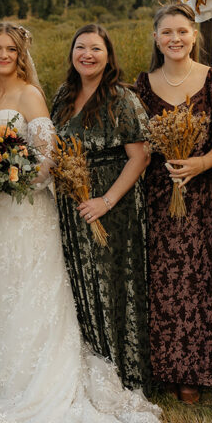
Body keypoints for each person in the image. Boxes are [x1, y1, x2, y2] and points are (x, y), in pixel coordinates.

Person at [0, 22, 162, 423]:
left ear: (21, 53)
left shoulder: (33, 96)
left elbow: (45, 164)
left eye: (10, 48)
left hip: (21, 212)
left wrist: (1, 184)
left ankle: (32, 379)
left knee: (27, 291)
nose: (2, 55)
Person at [133, 3, 212, 405]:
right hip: (159, 192)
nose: (175, 39)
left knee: (200, 278)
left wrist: (200, 163)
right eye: (167, 32)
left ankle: (196, 370)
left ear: (195, 35)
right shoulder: (143, 84)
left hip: (202, 193)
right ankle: (164, 368)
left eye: (182, 31)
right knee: (163, 280)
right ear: (156, 38)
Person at [50, 23, 152, 390]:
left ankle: (120, 373)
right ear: (72, 53)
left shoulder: (122, 98)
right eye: (80, 47)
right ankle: (85, 370)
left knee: (110, 285)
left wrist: (105, 201)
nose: (87, 55)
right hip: (72, 204)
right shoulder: (63, 96)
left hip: (114, 204)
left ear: (108, 56)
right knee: (80, 285)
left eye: (95, 48)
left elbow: (139, 157)